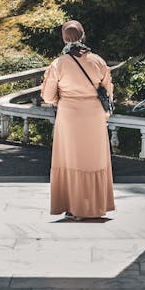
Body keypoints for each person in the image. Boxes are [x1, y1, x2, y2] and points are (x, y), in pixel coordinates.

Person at [41, 20, 115, 220]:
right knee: (94, 160)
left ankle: (73, 206)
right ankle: (96, 206)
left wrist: (61, 99)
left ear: (64, 39)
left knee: (70, 159)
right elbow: (108, 92)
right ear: (83, 36)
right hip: (94, 115)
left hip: (69, 116)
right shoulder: (98, 61)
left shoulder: (58, 64)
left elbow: (47, 97)